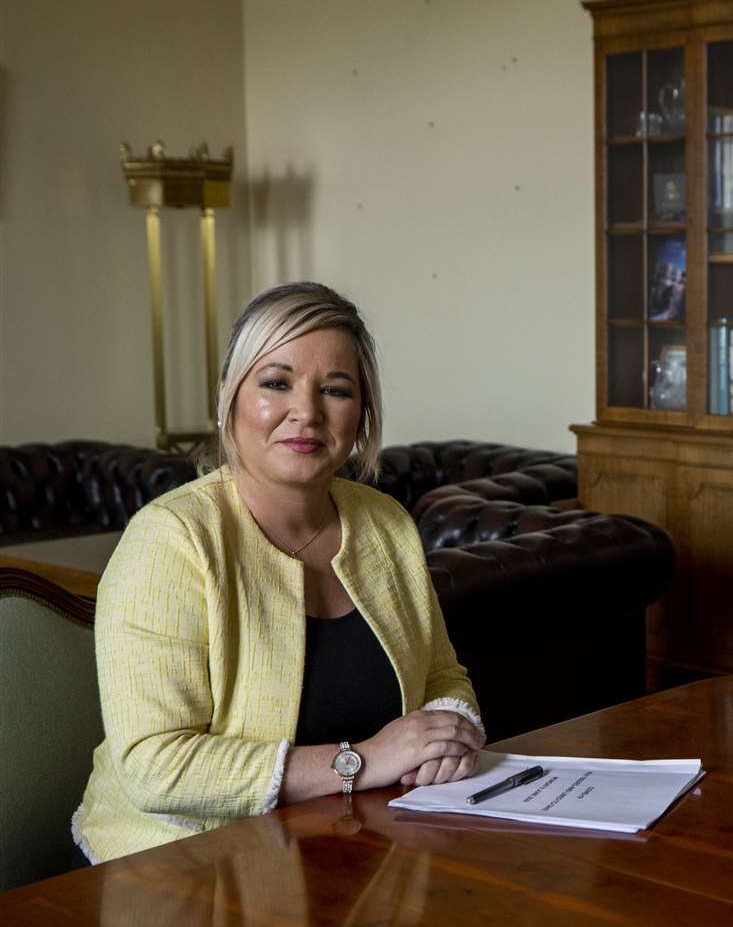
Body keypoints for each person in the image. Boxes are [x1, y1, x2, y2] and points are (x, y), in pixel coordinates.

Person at [75, 282, 485, 864]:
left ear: (362, 413)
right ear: (230, 397)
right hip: (179, 870)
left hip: (358, 849)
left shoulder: (387, 523)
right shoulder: (170, 540)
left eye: (335, 390)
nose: (307, 412)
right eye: (276, 382)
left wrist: (449, 736)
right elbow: (154, 769)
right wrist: (362, 760)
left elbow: (442, 675)